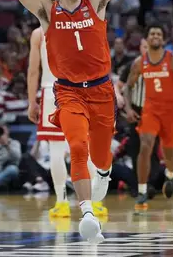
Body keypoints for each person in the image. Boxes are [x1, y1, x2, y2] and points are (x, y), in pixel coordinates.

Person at [0, 0, 165, 243]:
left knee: (99, 156)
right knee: (76, 148)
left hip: (101, 91)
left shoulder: (96, 0)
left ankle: (105, 173)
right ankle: (86, 212)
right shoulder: (46, 11)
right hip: (66, 91)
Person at [27, 27, 108, 218]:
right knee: (84, 148)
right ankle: (94, 203)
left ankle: (62, 203)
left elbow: (33, 70)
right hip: (78, 90)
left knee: (56, 150)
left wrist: (32, 101)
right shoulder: (79, 25)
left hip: (51, 92)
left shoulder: (39, 33)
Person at [124, 24, 173, 210]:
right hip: (150, 110)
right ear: (147, 39)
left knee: (169, 151)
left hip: (171, 111)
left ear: (163, 40)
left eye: (159, 33)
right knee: (146, 144)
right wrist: (128, 108)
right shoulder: (139, 62)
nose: (155, 36)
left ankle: (171, 175)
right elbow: (127, 86)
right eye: (152, 33)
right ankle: (142, 190)